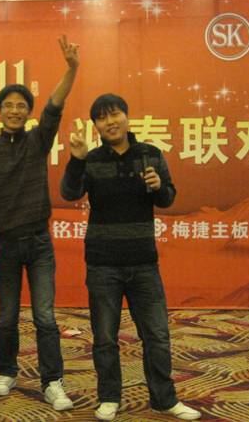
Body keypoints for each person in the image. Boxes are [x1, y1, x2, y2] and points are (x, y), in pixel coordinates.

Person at [60, 93, 202, 421]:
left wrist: (158, 186)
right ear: (96, 126)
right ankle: (109, 397)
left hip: (143, 262)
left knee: (157, 335)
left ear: (126, 117)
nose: (110, 122)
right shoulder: (92, 159)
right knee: (105, 337)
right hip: (102, 263)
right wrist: (76, 160)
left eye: (115, 114)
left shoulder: (150, 154)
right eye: (102, 118)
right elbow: (69, 193)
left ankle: (164, 399)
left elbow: (168, 198)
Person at [0, 35, 79, 411]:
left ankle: (53, 382)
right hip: (5, 244)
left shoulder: (37, 141)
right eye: (9, 105)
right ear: (0, 111)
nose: (15, 110)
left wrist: (72, 69)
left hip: (39, 242)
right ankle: (6, 371)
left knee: (45, 316)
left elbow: (55, 105)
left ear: (28, 113)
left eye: (21, 106)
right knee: (7, 316)